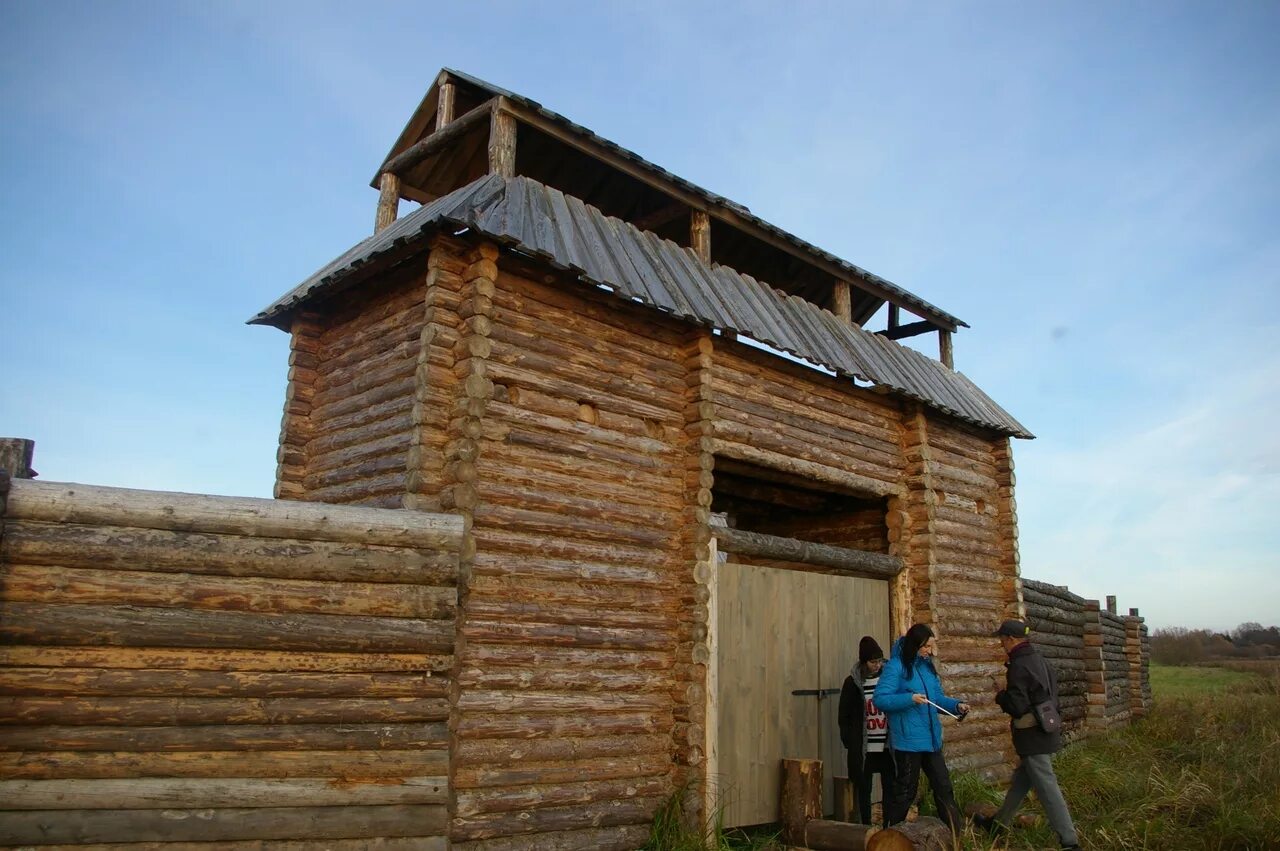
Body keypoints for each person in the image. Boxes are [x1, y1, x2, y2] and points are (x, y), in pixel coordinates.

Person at [973, 619, 1081, 850]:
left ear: (1011, 639)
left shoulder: (1019, 665)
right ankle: (998, 824)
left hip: (1032, 736)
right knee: (1021, 782)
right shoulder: (1040, 659)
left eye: (1002, 639)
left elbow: (1017, 706)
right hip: (1046, 729)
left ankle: (1069, 841)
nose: (1001, 644)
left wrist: (1001, 695)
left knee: (1048, 788)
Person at [873, 623, 969, 833]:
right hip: (908, 743)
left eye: (931, 646)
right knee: (905, 793)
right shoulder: (896, 667)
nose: (930, 651)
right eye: (926, 646)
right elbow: (880, 699)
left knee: (944, 787)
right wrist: (909, 699)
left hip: (931, 740)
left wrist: (956, 706)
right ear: (914, 645)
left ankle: (955, 836)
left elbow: (936, 699)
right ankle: (891, 835)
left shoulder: (926, 668)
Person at [838, 636, 896, 826]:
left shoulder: (888, 680)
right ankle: (866, 826)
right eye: (873, 662)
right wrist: (850, 741)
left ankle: (889, 825)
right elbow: (844, 715)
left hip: (887, 745)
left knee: (890, 786)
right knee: (864, 788)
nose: (877, 665)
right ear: (864, 662)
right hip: (865, 747)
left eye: (879, 661)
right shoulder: (853, 683)